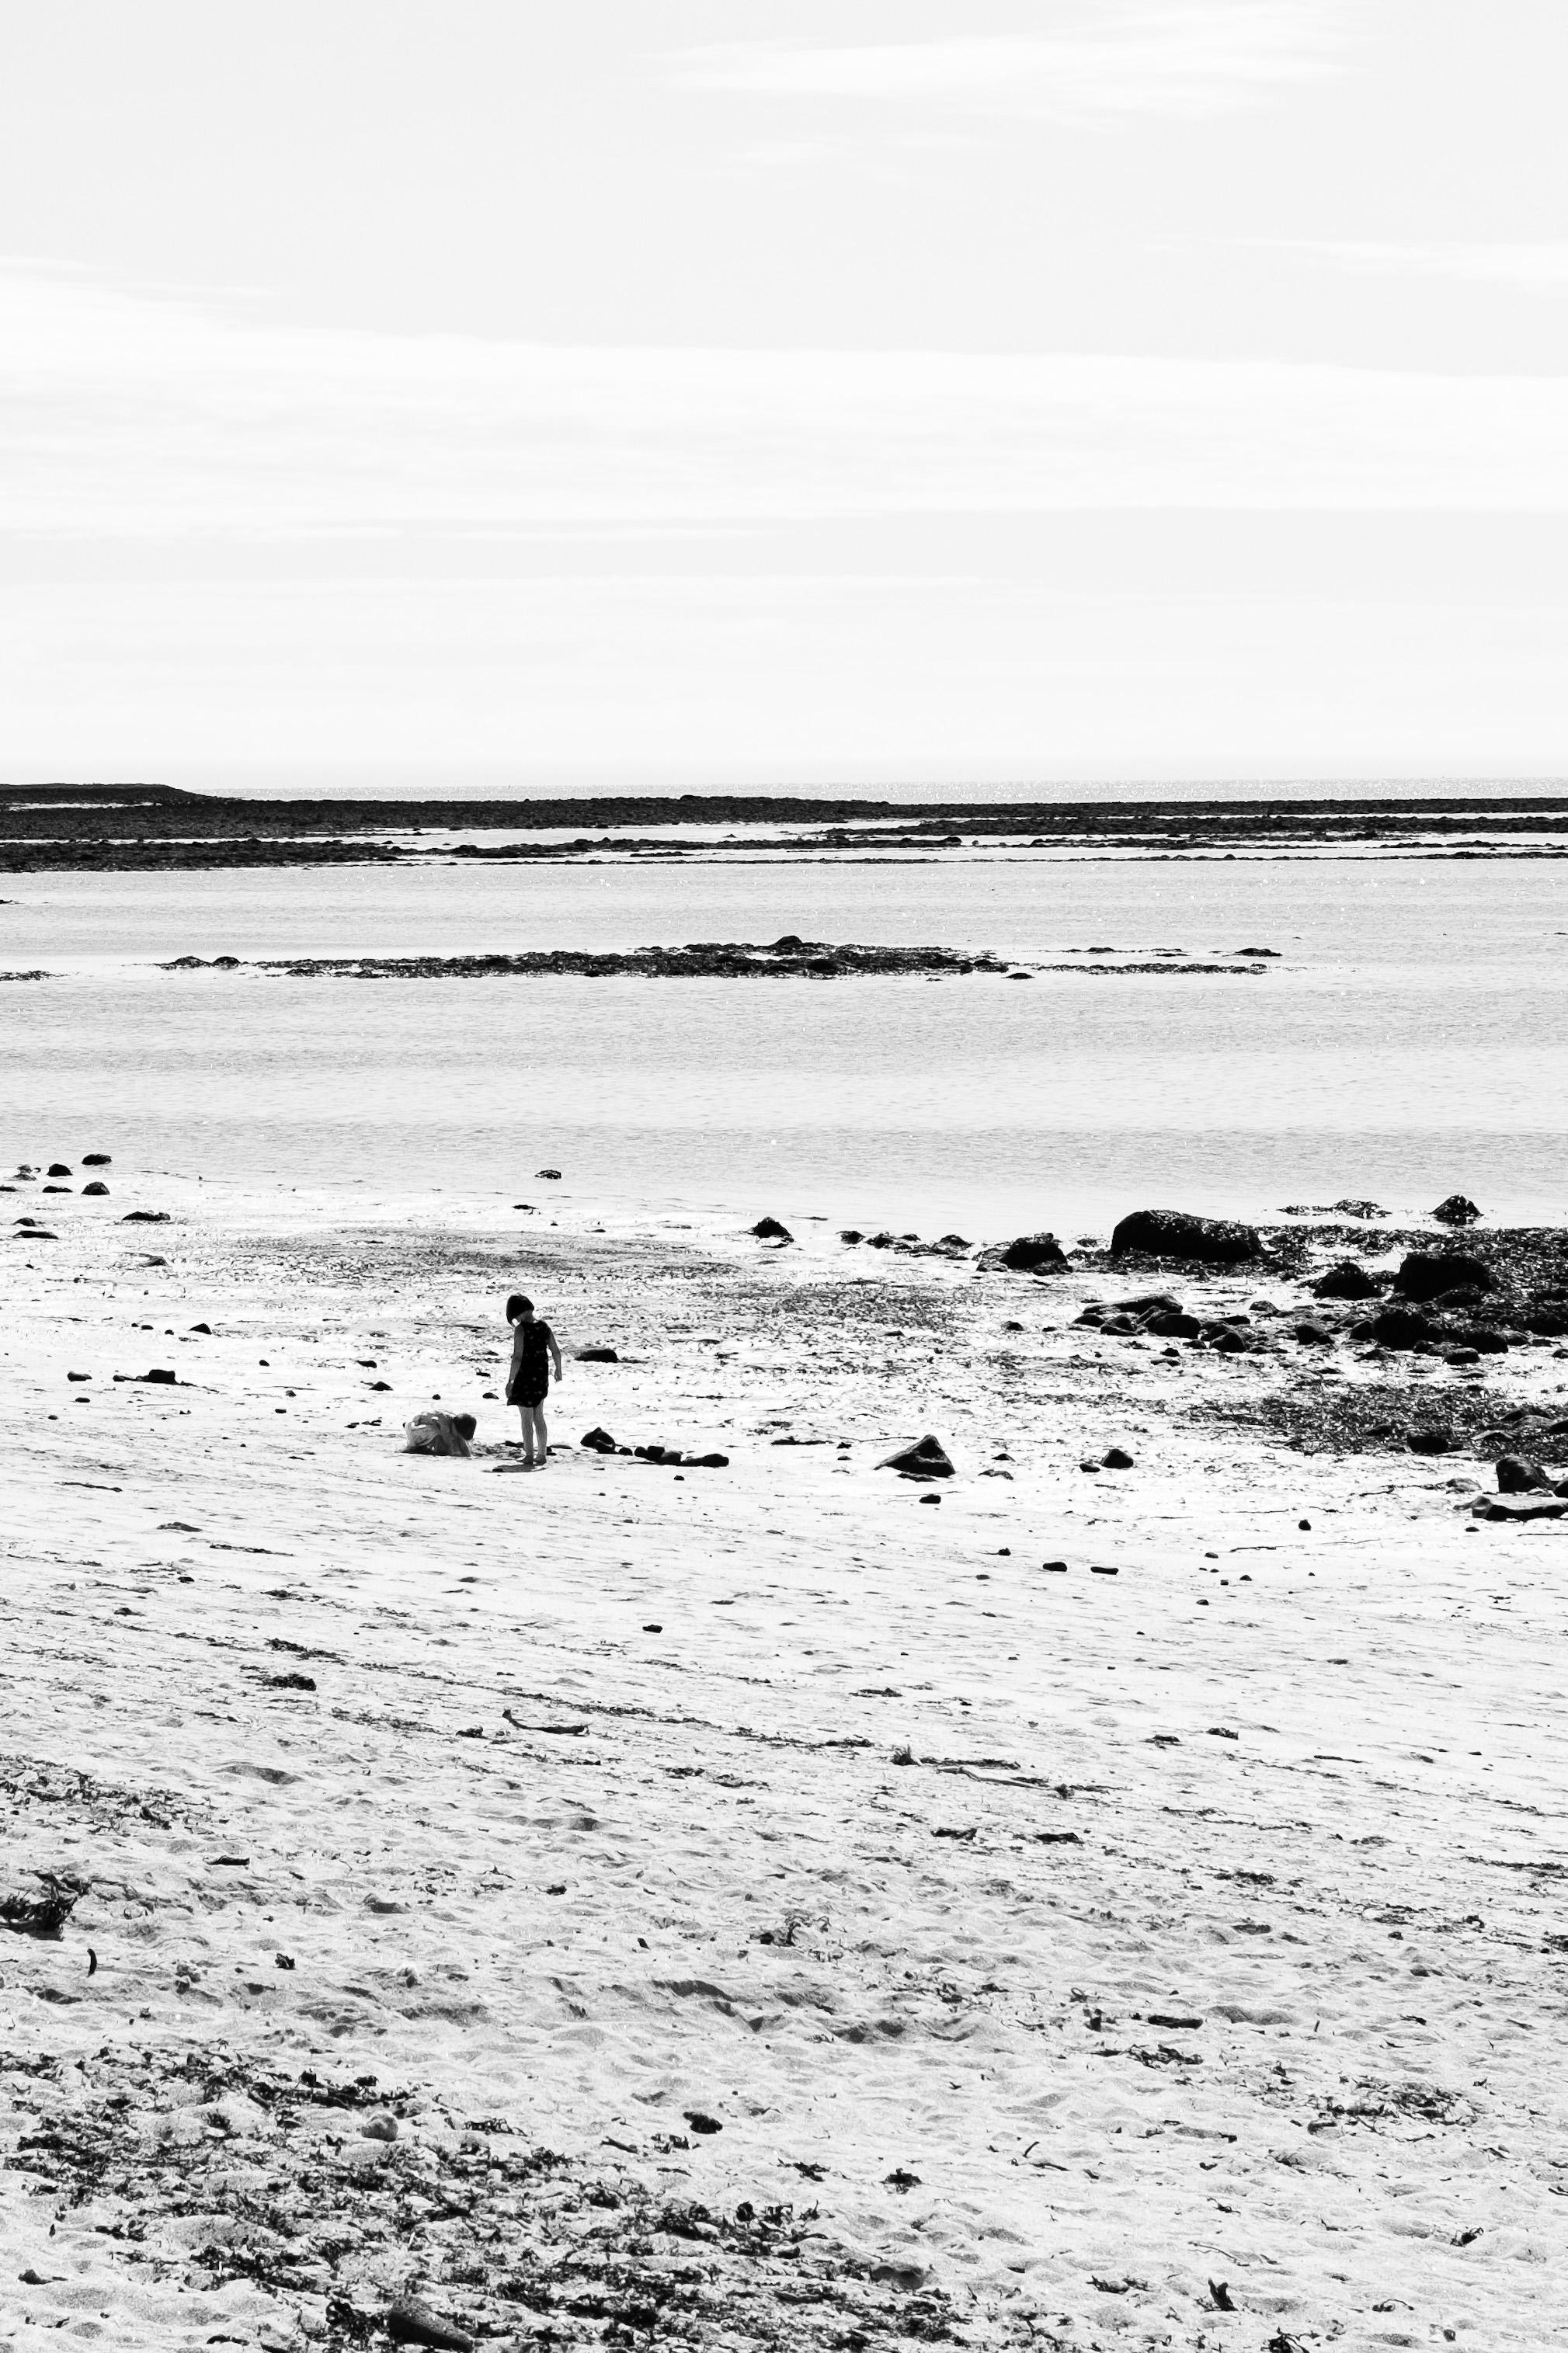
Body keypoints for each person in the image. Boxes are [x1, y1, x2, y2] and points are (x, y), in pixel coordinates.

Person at [505, 1292, 562, 1468]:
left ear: (517, 1313)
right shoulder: (544, 1326)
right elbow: (556, 1351)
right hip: (541, 1377)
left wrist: (511, 1381)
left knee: (526, 1418)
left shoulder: (521, 1329)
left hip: (525, 1378)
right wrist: (558, 1369)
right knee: (539, 1416)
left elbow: (517, 1358)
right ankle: (542, 1454)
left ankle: (529, 1455)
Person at [402, 1409, 476, 1458]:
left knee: (455, 1439)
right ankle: (413, 1448)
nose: (458, 1437)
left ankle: (423, 1447)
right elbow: (447, 1442)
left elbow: (462, 1444)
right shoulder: (445, 1424)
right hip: (414, 1427)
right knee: (438, 1434)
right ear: (454, 1426)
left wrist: (468, 1456)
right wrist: (451, 1454)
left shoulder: (456, 1424)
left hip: (424, 1427)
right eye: (458, 1435)